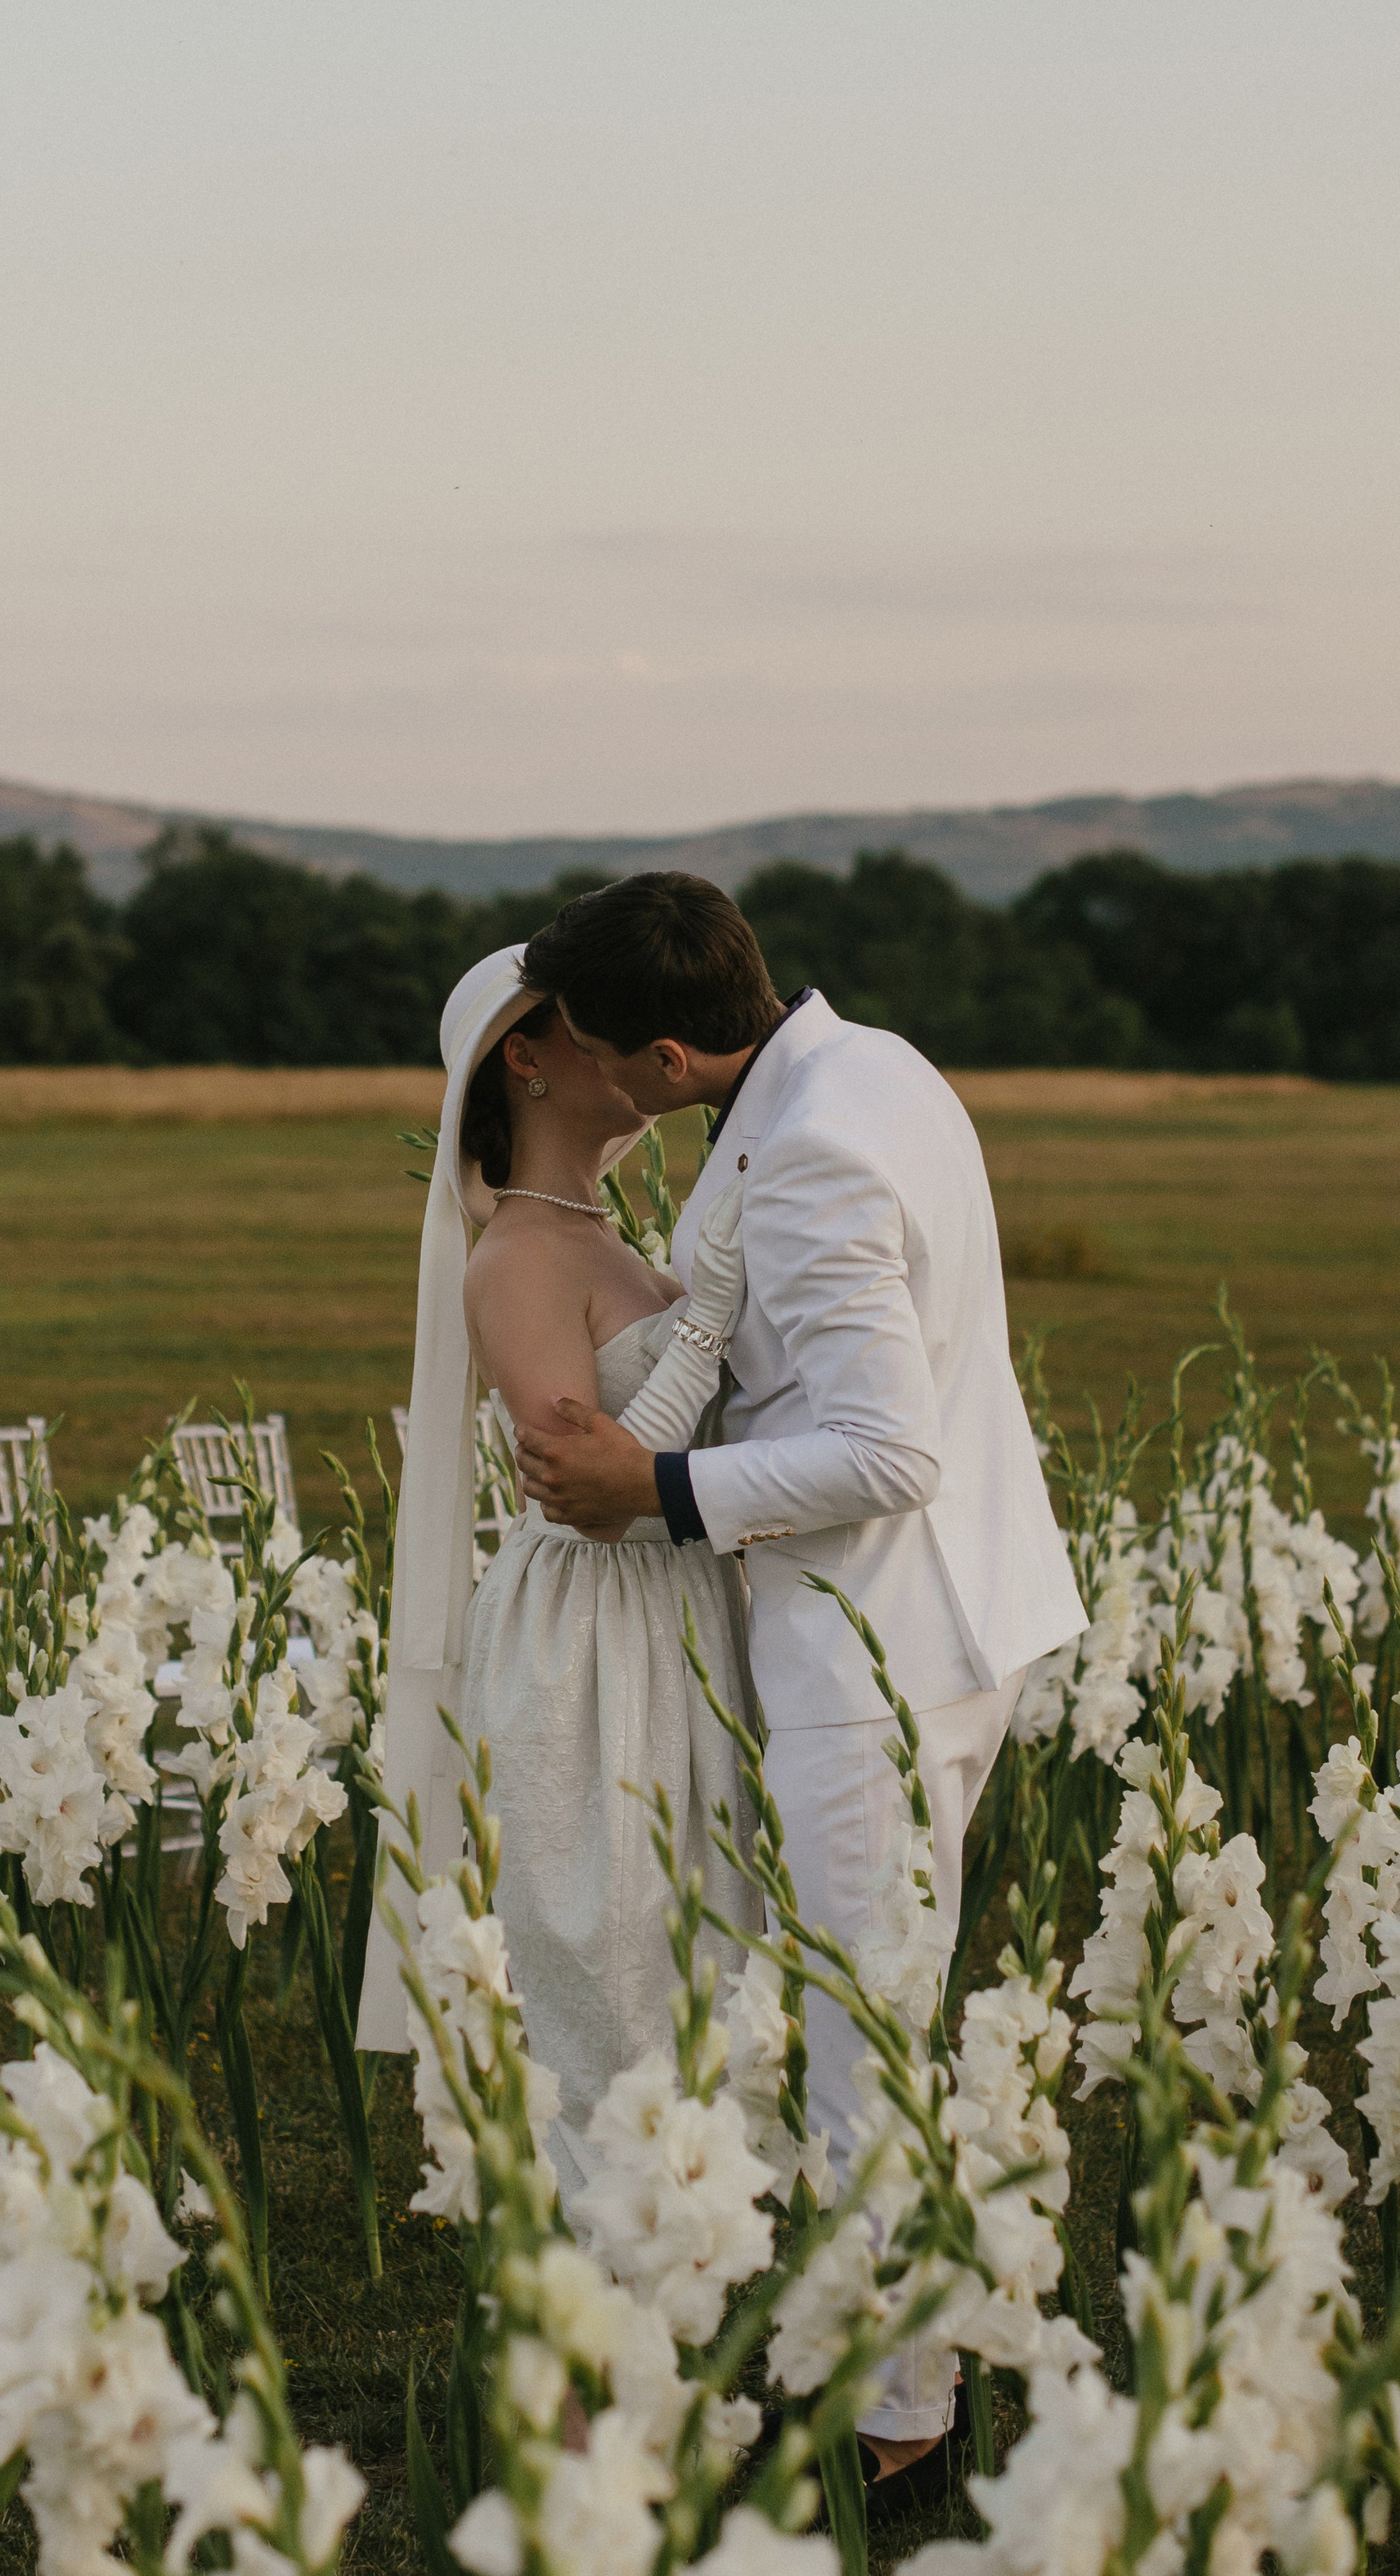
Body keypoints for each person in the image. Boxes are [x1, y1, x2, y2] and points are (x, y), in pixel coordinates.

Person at [507, 872, 1087, 2485]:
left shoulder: (819, 1139)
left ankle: (897, 2426)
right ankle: (900, 2371)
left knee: (857, 2036)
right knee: (871, 2012)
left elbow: (882, 1445)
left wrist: (656, 1492)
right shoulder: (867, 1062)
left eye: (612, 1061)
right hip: (941, 1618)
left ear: (675, 1048)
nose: (606, 1091)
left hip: (878, 1647)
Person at [353, 946, 759, 2210]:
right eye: (594, 1024)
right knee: (613, 1968)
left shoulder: (614, 1237)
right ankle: (600, 2337)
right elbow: (594, 1488)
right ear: (526, 1058)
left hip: (678, 1611)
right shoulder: (517, 1260)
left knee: (704, 1951)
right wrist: (711, 1319)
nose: (636, 1033)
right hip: (594, 1638)